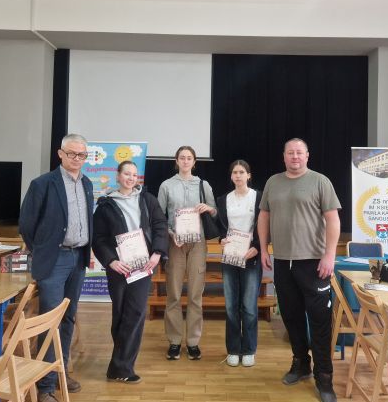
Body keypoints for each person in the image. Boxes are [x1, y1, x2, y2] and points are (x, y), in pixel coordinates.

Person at [258, 138, 341, 402]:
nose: (295, 157)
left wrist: (329, 255)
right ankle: (301, 363)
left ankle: (324, 378)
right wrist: (264, 248)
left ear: (307, 155)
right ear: (284, 156)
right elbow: (264, 216)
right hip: (283, 261)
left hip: (314, 263)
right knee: (291, 317)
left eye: (299, 153)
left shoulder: (320, 181)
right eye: (290, 153)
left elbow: (333, 219)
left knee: (319, 321)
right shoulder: (273, 182)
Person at [19, 133, 93, 402]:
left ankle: (59, 371)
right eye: (72, 153)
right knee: (49, 321)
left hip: (78, 258)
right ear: (60, 153)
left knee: (68, 318)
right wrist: (42, 250)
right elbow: (26, 224)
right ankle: (45, 388)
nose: (77, 159)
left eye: (81, 155)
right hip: (55, 260)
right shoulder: (42, 184)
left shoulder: (86, 183)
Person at [92, 161, 168, 383]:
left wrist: (157, 253)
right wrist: (111, 261)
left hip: (143, 266)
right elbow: (99, 239)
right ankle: (118, 365)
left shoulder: (147, 200)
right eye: (127, 174)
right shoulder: (105, 205)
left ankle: (123, 367)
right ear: (118, 176)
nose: (131, 178)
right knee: (120, 314)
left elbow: (160, 226)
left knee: (135, 313)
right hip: (119, 268)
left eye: (134, 175)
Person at [157, 145, 217, 361]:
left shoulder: (203, 184)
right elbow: (159, 217)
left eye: (189, 158)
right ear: (176, 161)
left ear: (194, 162)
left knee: (195, 295)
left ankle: (193, 342)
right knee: (173, 294)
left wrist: (208, 208)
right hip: (175, 244)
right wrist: (171, 234)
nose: (185, 161)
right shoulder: (166, 185)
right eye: (182, 158)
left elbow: (215, 211)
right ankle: (174, 341)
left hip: (198, 244)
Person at [216, 160, 262, 367]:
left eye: (242, 172)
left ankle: (249, 349)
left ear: (249, 175)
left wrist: (258, 247)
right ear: (231, 176)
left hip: (251, 256)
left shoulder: (258, 197)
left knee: (249, 306)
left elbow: (266, 225)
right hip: (230, 257)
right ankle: (233, 349)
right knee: (231, 306)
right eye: (234, 172)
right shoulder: (223, 199)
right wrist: (221, 239)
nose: (238, 175)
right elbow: (221, 227)